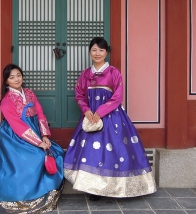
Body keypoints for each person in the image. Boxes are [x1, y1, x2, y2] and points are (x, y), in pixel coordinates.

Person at [0, 63, 65, 213]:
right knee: (35, 157)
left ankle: (46, 190)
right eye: (12, 77)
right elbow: (17, 125)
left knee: (55, 152)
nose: (16, 79)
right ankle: (25, 194)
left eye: (18, 75)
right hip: (13, 136)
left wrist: (44, 135)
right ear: (7, 81)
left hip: (34, 130)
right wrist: (37, 142)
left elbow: (40, 113)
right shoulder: (6, 100)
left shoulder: (29, 93)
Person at [64, 37, 156, 200]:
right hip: (91, 118)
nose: (97, 53)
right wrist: (86, 110)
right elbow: (79, 95)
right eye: (94, 50)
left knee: (115, 152)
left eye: (101, 50)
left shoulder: (114, 72)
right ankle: (93, 189)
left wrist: (100, 111)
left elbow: (117, 97)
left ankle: (115, 187)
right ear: (89, 52)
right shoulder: (85, 74)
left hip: (112, 118)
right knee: (91, 153)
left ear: (106, 52)